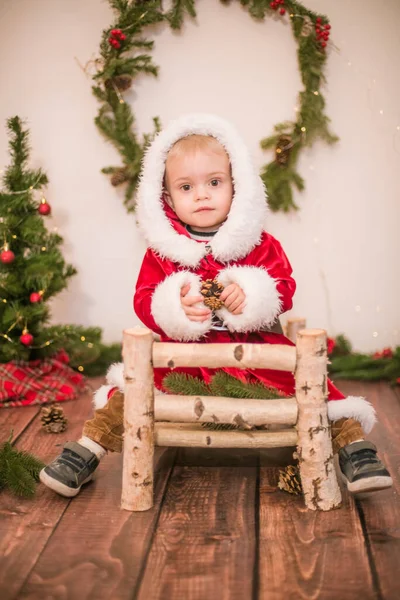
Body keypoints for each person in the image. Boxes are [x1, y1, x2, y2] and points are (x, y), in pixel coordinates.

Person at [40, 114, 392, 498]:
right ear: (167, 198)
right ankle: (85, 452)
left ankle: (355, 451)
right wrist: (175, 304)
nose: (202, 195)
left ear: (236, 186)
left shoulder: (258, 243)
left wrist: (252, 293)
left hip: (256, 352)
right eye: (186, 186)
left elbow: (284, 286)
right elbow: (144, 299)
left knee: (316, 389)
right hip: (185, 359)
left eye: (214, 182)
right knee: (131, 391)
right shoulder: (163, 251)